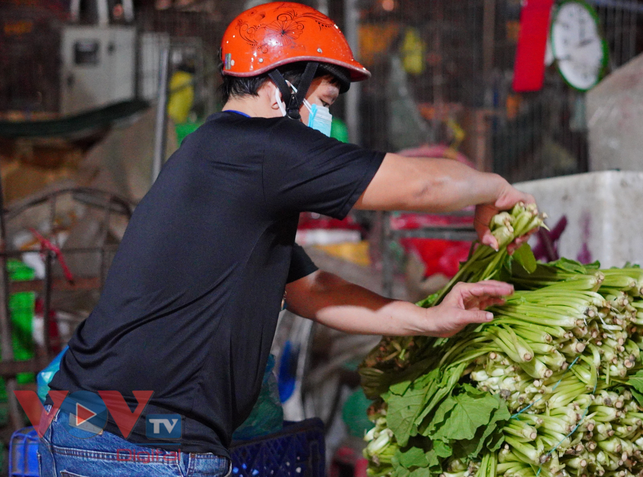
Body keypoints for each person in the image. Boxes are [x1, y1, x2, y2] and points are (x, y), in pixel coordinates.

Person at [38, 3, 536, 476]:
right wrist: (492, 187)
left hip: (108, 431)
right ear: (283, 86)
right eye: (323, 103)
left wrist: (428, 319)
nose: (327, 121)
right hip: (137, 445)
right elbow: (420, 184)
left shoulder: (225, 158)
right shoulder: (257, 147)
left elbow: (311, 290)